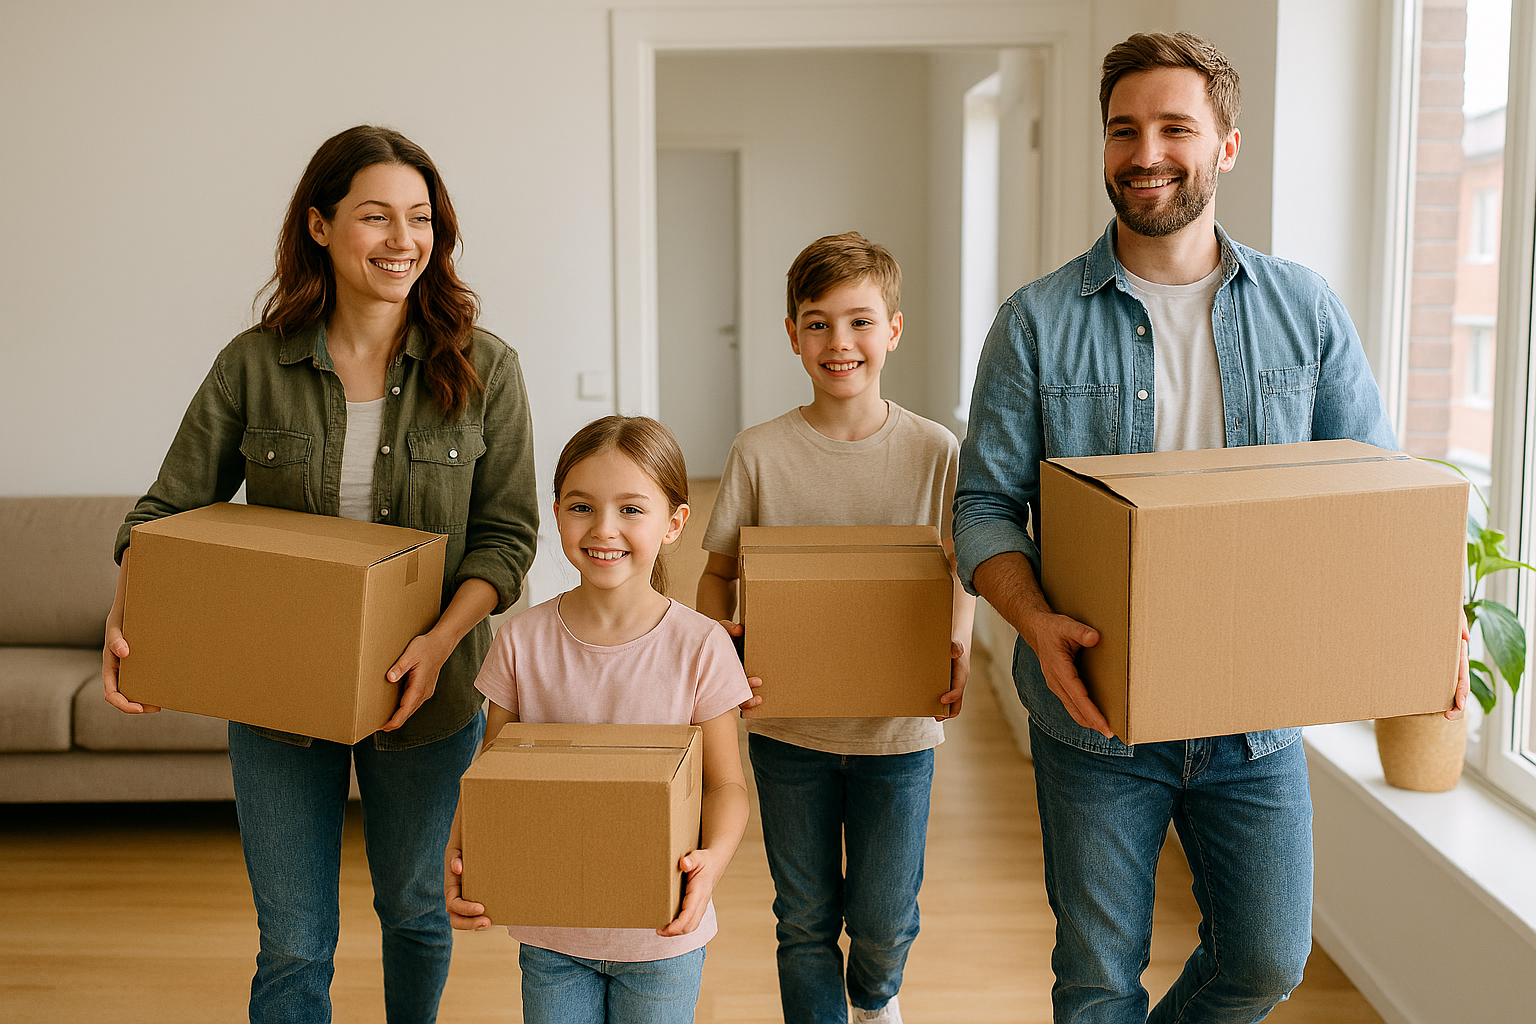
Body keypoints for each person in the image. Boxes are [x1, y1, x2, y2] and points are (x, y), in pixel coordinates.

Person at [954, 32, 1471, 1023]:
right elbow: (983, 506)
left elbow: (1373, 490)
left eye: (1175, 127)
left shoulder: (1303, 309)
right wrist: (1033, 620)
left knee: (1267, 957)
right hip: (1095, 712)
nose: (1145, 151)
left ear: (1226, 145)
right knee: (1098, 978)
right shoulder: (1037, 321)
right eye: (1123, 129)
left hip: (1253, 715)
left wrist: (1429, 620)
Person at [101, 125, 540, 1024]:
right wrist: (126, 610)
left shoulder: (485, 367)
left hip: (433, 689)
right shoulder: (253, 365)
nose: (402, 240)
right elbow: (161, 515)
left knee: (416, 914)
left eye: (420, 218)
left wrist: (438, 642)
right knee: (295, 944)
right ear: (319, 226)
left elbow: (506, 537)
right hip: (279, 692)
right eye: (374, 216)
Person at [696, 232, 976, 1024]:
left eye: (858, 322)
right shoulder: (759, 453)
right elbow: (717, 575)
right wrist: (724, 650)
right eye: (817, 323)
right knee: (805, 916)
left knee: (885, 920)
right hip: (789, 731)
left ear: (893, 329)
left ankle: (875, 996)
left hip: (898, 732)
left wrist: (955, 647)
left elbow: (962, 567)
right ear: (792, 335)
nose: (838, 343)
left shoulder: (934, 452)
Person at [444, 415, 751, 1023]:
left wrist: (711, 861)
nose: (604, 529)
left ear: (675, 523)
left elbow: (727, 786)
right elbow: (490, 775)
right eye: (582, 506)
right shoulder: (521, 642)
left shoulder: (701, 645)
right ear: (556, 513)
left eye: (632, 509)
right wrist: (460, 858)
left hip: (662, 937)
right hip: (553, 936)